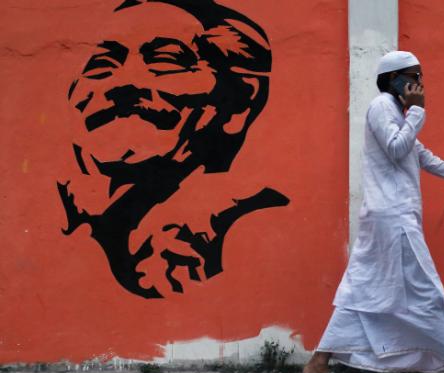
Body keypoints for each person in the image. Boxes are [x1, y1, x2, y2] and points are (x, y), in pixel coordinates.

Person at [302, 51, 444, 373]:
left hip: (388, 219)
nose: (419, 83)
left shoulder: (397, 114)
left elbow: (428, 160)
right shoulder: (382, 107)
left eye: (421, 76)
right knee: (427, 293)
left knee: (362, 293)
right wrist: (417, 111)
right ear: (393, 79)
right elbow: (397, 148)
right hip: (393, 220)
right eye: (413, 75)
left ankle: (318, 364)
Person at [58, 0, 289, 298]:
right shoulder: (82, 221)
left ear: (239, 102)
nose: (124, 83)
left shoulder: (246, 229)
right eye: (102, 65)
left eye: (165, 62)